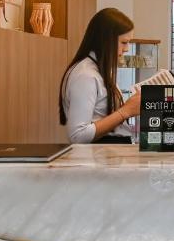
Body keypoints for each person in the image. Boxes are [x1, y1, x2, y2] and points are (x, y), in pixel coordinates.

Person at [59, 8, 141, 144]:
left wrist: (130, 107)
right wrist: (126, 111)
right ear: (106, 40)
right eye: (124, 42)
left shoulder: (98, 70)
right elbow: (78, 135)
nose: (126, 49)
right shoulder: (85, 76)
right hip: (99, 155)